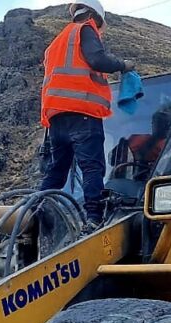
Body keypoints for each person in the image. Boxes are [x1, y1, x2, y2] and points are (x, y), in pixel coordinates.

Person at [39, 1, 136, 225]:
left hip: (56, 119)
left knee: (57, 171)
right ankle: (94, 218)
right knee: (92, 167)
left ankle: (36, 212)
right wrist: (123, 65)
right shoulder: (85, 29)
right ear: (93, 16)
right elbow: (97, 59)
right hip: (81, 112)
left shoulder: (56, 43)